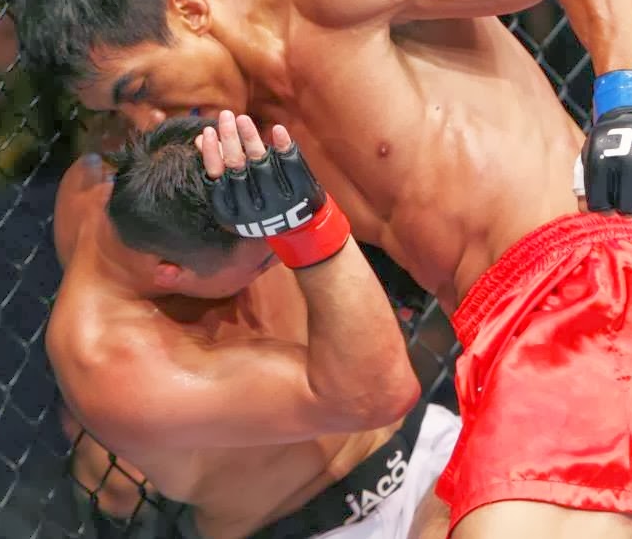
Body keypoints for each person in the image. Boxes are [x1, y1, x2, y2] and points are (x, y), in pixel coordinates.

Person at [16, 0, 632, 539]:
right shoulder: (248, 147)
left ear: (189, 10)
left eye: (140, 87)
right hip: (493, 350)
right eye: (120, 111)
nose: (147, 121)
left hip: (578, 295)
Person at [45, 113, 462, 539]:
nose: (281, 262)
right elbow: (380, 394)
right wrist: (311, 228)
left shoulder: (110, 180)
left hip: (425, 443)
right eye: (264, 261)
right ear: (172, 273)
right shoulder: (116, 365)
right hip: (317, 528)